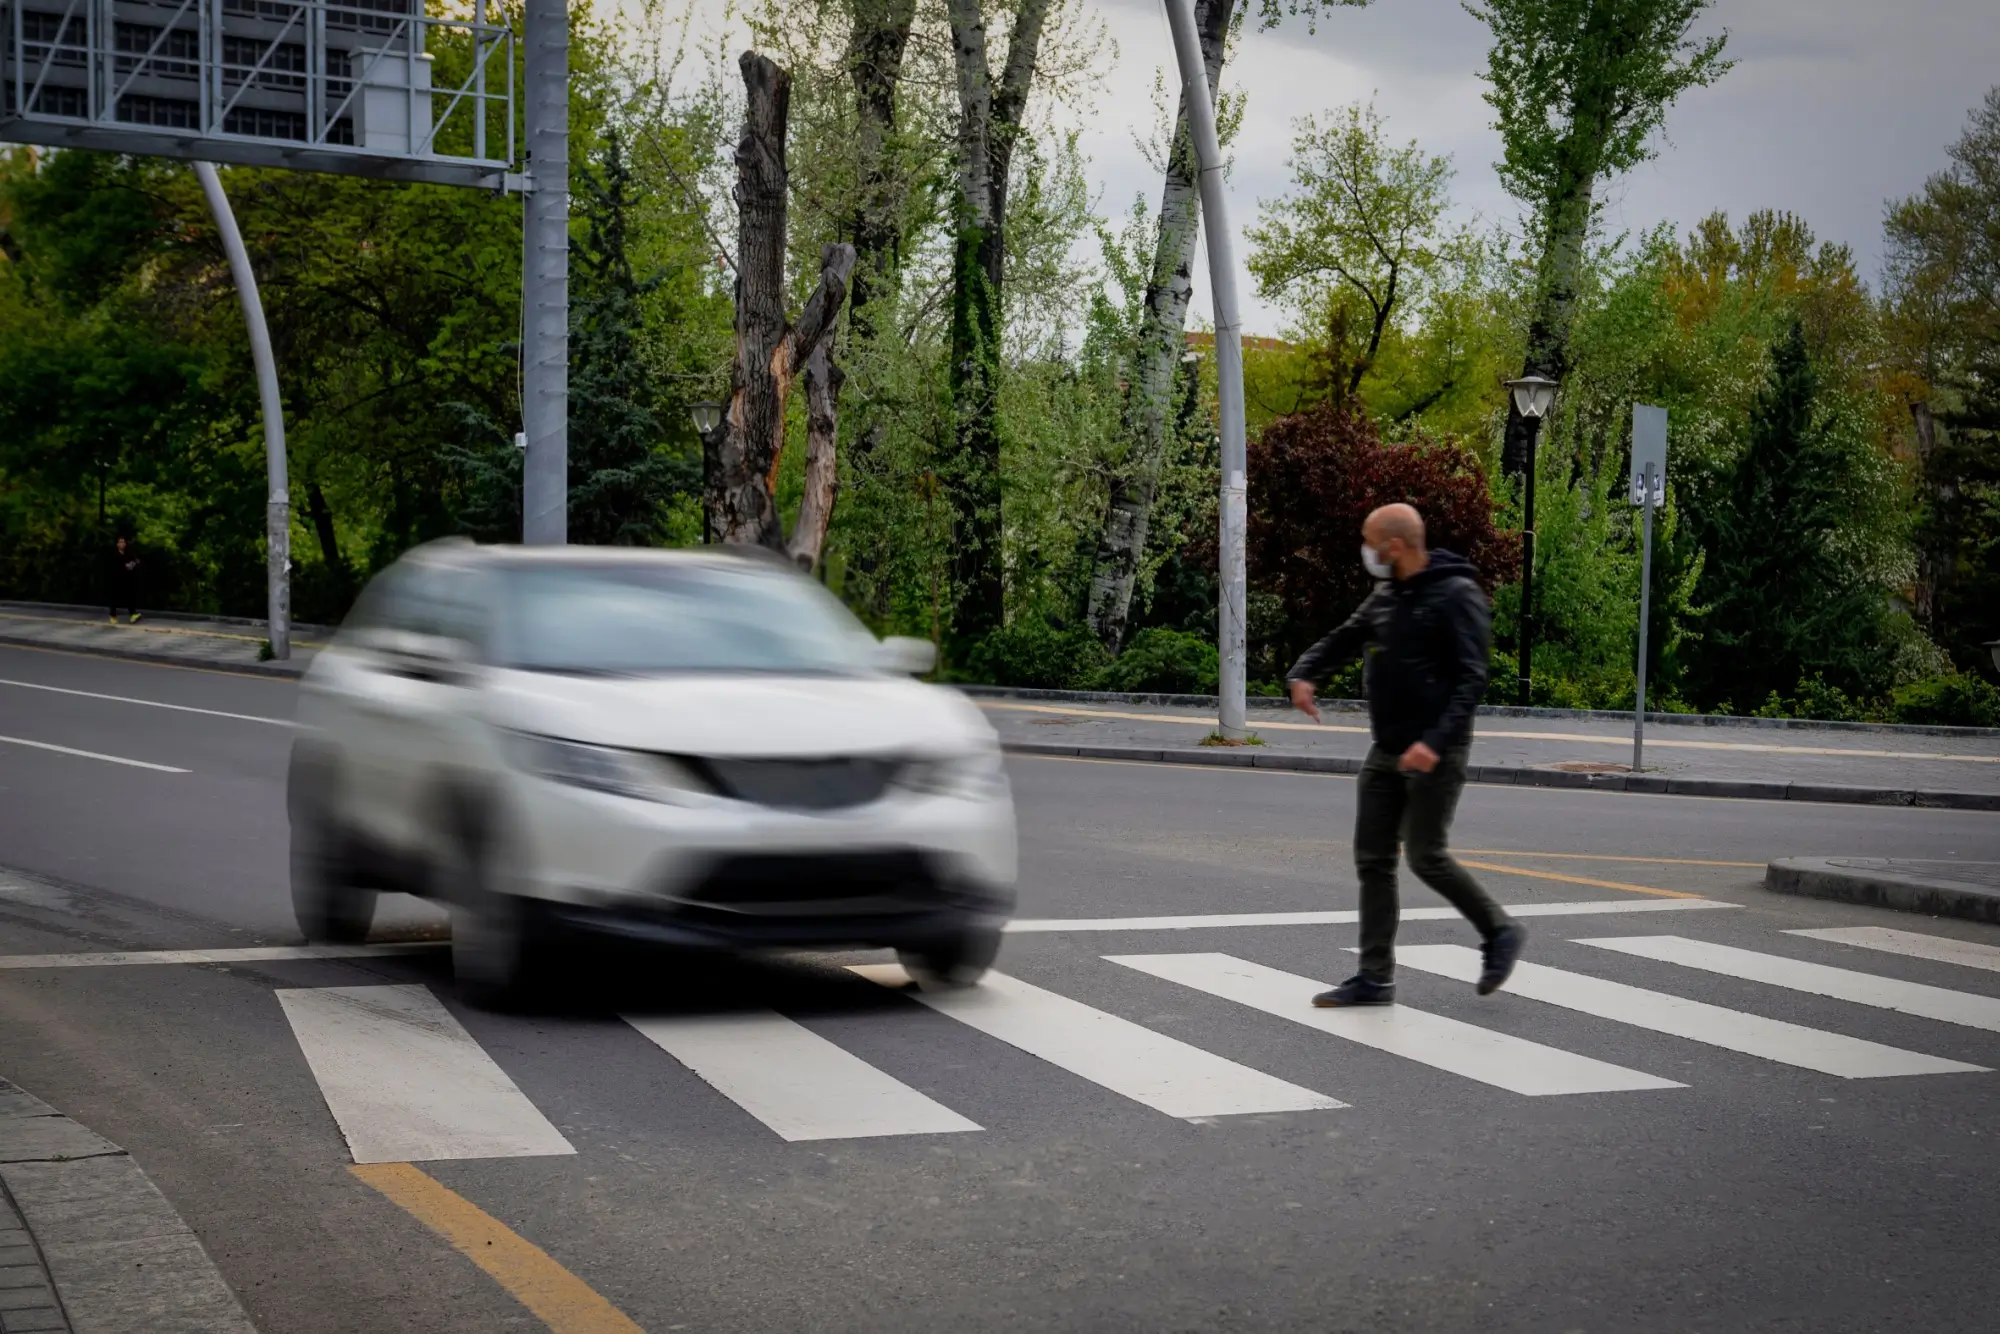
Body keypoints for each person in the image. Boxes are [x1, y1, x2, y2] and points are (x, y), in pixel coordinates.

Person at [1285, 502, 1524, 1007]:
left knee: (1425, 855)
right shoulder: (1387, 594)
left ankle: (1498, 931)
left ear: (1395, 545)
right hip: (1387, 748)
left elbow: (1472, 678)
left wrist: (1433, 744)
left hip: (1435, 750)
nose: (1366, 551)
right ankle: (1375, 977)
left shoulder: (1458, 594)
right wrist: (1305, 673)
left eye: (1370, 541)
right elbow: (1344, 638)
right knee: (1373, 859)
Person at [108, 536, 142, 624]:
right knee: (114, 597)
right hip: (116, 578)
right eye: (120, 542)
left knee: (130, 596)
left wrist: (133, 563)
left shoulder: (128, 553)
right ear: (117, 544)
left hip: (127, 578)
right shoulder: (114, 554)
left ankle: (133, 614)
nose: (122, 544)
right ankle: (113, 616)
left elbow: (135, 561)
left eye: (123, 542)